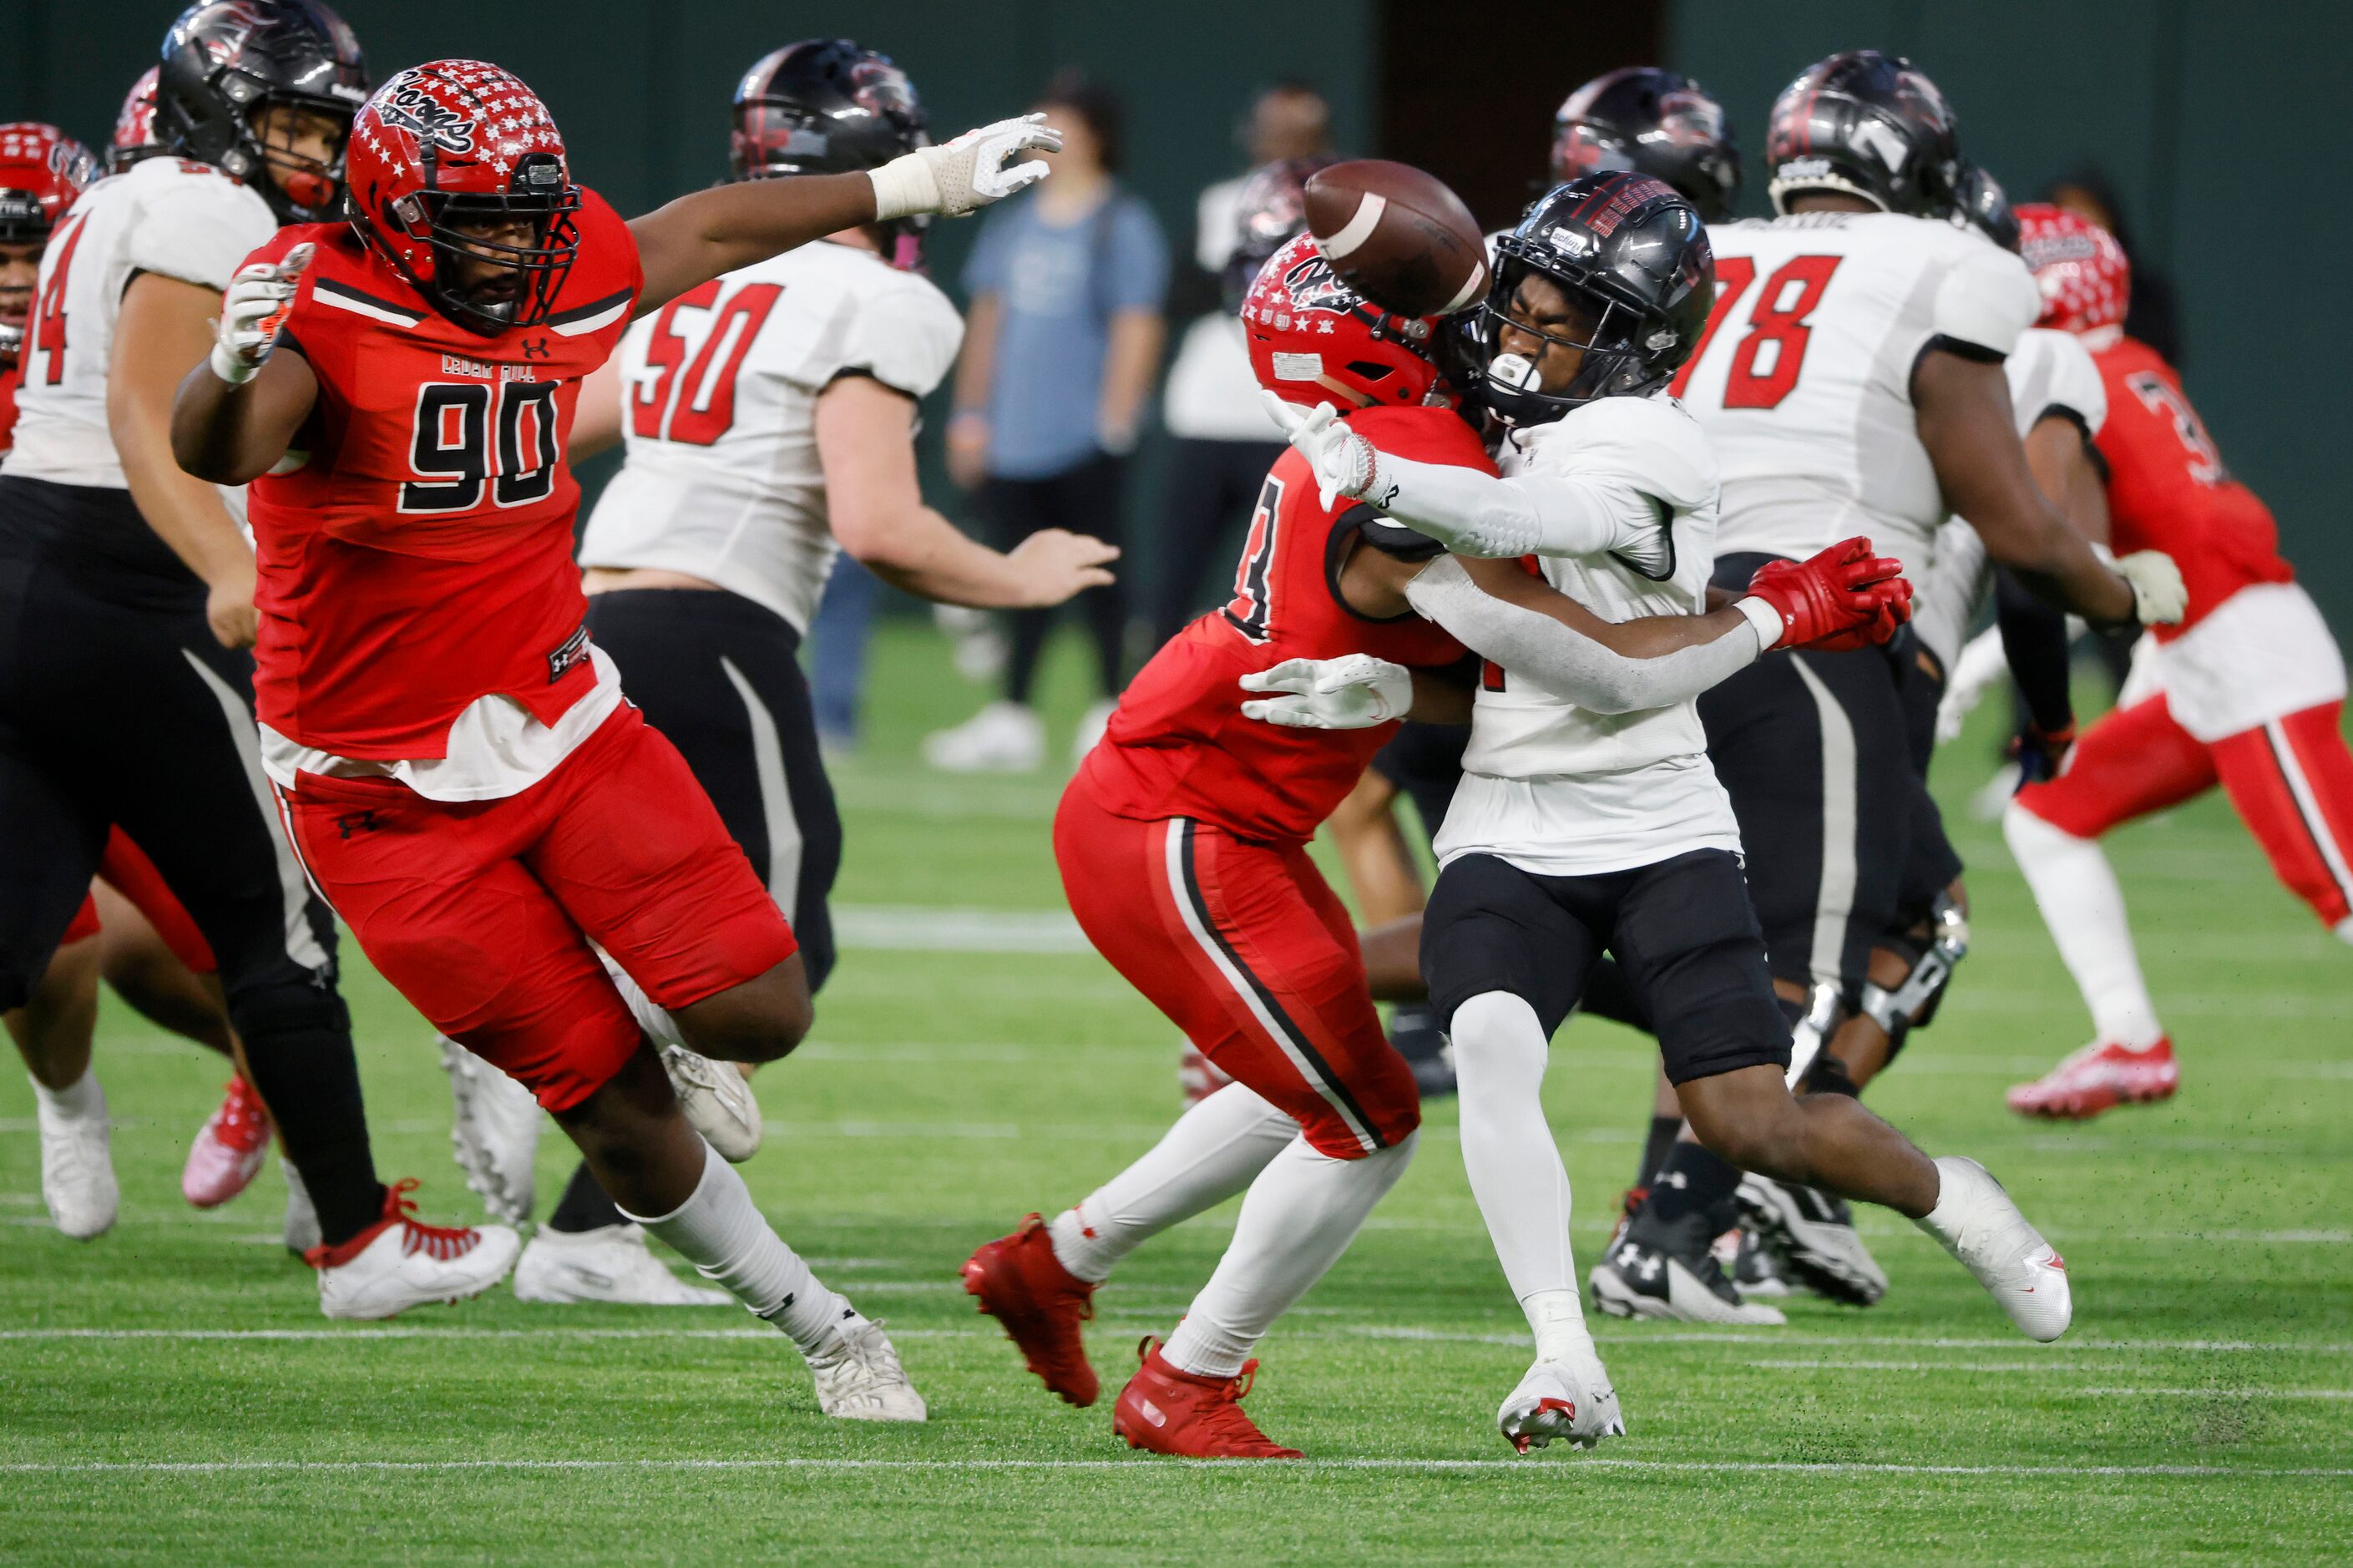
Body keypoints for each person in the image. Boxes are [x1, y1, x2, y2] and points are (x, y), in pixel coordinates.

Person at [170, 55, 1058, 1414]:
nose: (515, 252)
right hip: (378, 788)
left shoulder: (550, 255)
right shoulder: (320, 295)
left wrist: (910, 182)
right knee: (620, 1114)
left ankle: (554, 1017)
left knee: (760, 1004)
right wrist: (226, 361)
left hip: (562, 715)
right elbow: (222, 450)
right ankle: (828, 1331)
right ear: (396, 213)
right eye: (481, 224)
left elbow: (696, 229)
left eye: (531, 223)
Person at [961, 225, 1919, 1459]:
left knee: (1321, 1077)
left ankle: (1057, 1264)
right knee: (1366, 1120)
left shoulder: (1417, 446)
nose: (1477, 325)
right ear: (1371, 354)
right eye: (1425, 312)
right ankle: (1187, 1378)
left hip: (1226, 817)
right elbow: (1598, 666)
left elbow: (1532, 670)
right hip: (1178, 820)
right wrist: (1777, 608)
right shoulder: (1417, 466)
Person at [1268, 170, 2077, 1450]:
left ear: (1634, 340)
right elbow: (1483, 636)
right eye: (1522, 308)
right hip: (1509, 821)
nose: (1525, 337)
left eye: (1560, 321)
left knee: (1749, 1119)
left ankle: (1954, 1196)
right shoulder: (1492, 416)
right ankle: (1561, 1353)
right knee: (1485, 1044)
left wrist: (1371, 466)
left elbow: (1525, 530)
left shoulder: (1642, 439)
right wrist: (1369, 679)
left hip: (1656, 826)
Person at [435, 38, 1114, 1307]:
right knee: (783, 943)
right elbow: (876, 524)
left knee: (681, 927)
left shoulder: (697, 295)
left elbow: (535, 433)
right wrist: (1016, 577)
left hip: (587, 631)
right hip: (714, 635)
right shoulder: (884, 301)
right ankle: (582, 1191)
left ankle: (589, 1200)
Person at [1595, 52, 2183, 1323]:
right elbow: (2024, 543)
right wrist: (2118, 609)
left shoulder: (1711, 248)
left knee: (1577, 918)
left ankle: (1716, 1192)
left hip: (1644, 618)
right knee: (1810, 973)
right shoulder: (1955, 279)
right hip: (1823, 639)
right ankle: (1699, 1212)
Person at [0, 5, 519, 1312]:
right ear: (210, 105)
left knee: (15, 943)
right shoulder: (200, 213)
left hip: (23, 566)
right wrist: (227, 568)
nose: (308, 150)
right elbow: (147, 418)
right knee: (274, 925)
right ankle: (356, 1237)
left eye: (322, 127)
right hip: (124, 583)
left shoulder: (125, 198)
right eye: (287, 121)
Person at [2001, 205, 2353, 1117]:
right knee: (2044, 815)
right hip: (2200, 659)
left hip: (2248, 660)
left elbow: (2073, 553)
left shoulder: (2074, 378)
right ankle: (2130, 1040)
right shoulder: (2131, 365)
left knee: (2341, 885)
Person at [928, 73, 1167, 772]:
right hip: (1011, 436)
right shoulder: (1012, 224)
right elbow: (988, 325)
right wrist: (970, 416)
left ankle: (1106, 705)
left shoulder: (1122, 223)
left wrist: (1116, 418)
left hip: (1084, 439)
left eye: (1063, 129)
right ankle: (1013, 715)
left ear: (1095, 137)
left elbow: (1136, 327)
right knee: (1015, 573)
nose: (1049, 145)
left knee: (1098, 574)